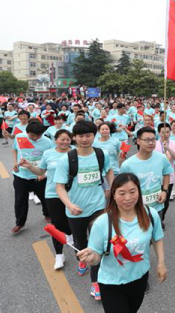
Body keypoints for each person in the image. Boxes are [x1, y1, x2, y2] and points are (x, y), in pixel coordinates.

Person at [77, 173, 167, 313]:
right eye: (122, 193)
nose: (128, 198)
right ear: (113, 194)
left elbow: (157, 237)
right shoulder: (102, 223)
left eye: (132, 192)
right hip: (111, 284)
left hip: (140, 278)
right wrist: (91, 258)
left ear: (139, 191)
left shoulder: (150, 214)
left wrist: (161, 263)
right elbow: (96, 256)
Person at [54, 120, 114, 300]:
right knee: (81, 243)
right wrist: (70, 205)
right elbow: (59, 187)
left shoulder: (101, 154)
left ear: (94, 136)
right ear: (74, 137)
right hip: (76, 210)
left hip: (98, 207)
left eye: (88, 135)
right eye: (80, 136)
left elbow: (109, 171)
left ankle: (95, 283)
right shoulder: (67, 159)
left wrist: (111, 188)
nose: (85, 139)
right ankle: (82, 259)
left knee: (96, 245)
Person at [19, 129, 73, 269]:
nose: (65, 142)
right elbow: (41, 171)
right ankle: (59, 255)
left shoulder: (75, 153)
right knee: (56, 224)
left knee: (72, 222)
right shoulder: (48, 153)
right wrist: (30, 166)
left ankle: (71, 235)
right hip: (52, 193)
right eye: (62, 139)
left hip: (73, 194)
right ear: (55, 140)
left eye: (67, 139)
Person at [120, 127, 172, 225]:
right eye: (147, 140)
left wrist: (164, 191)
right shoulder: (127, 164)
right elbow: (122, 188)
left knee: (156, 235)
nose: (151, 143)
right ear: (138, 141)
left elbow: (166, 173)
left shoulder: (162, 158)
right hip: (136, 209)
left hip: (157, 206)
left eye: (153, 139)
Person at [10, 120, 54, 234]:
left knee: (45, 198)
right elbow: (14, 149)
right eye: (32, 135)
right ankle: (19, 223)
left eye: (38, 136)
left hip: (39, 175)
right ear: (27, 132)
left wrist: (44, 174)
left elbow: (51, 159)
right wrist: (15, 162)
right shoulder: (19, 137)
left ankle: (47, 214)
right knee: (20, 200)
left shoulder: (47, 142)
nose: (35, 138)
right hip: (21, 175)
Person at [155, 123, 175, 218]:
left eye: (167, 132)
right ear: (158, 133)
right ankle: (157, 219)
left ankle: (162, 217)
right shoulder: (154, 144)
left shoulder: (174, 144)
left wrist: (168, 148)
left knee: (165, 201)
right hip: (156, 177)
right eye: (162, 132)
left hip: (169, 177)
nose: (165, 134)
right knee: (156, 200)